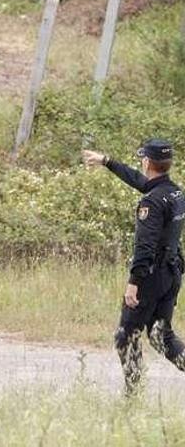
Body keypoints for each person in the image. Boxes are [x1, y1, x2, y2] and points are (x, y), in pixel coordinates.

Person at [84, 140, 185, 395]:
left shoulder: (151, 204)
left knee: (125, 336)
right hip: (171, 273)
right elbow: (142, 183)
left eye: (143, 160)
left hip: (151, 277)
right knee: (160, 336)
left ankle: (133, 396)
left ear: (148, 162)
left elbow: (145, 247)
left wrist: (134, 283)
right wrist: (107, 161)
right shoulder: (175, 192)